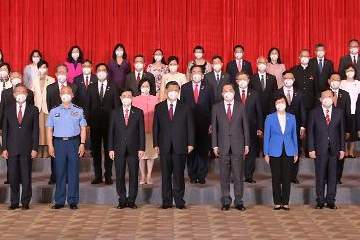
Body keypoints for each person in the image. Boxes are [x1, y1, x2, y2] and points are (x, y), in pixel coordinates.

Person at [153, 81, 195, 209]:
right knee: (165, 175)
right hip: (164, 145)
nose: (173, 92)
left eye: (176, 90)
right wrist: (156, 143)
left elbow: (190, 126)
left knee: (178, 175)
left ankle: (179, 201)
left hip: (180, 145)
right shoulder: (159, 107)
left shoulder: (185, 106)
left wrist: (191, 143)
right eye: (171, 90)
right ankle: (166, 201)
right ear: (166, 91)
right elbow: (156, 127)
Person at [46, 86, 87, 210]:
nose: (65, 94)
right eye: (63, 92)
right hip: (58, 143)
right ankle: (59, 200)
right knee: (60, 172)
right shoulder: (53, 111)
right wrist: (50, 145)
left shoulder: (78, 110)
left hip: (73, 142)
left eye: (68, 92)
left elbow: (83, 128)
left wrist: (82, 143)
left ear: (72, 95)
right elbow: (49, 129)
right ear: (60, 95)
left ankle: (73, 200)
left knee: (73, 172)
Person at [211, 83, 250, 211]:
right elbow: (214, 128)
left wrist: (246, 144)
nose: (227, 93)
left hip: (238, 145)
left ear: (234, 92)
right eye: (225, 91)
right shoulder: (216, 107)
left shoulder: (241, 106)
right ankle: (226, 201)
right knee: (224, 175)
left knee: (238, 175)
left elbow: (246, 127)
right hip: (222, 145)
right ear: (222, 94)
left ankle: (239, 201)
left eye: (230, 90)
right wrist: (214, 145)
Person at [2, 84, 39, 210]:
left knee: (26, 176)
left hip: (27, 148)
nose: (20, 94)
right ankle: (14, 201)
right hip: (11, 148)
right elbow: (5, 131)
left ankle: (25, 202)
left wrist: (35, 148)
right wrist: (4, 148)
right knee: (12, 176)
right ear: (14, 94)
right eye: (18, 92)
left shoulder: (33, 110)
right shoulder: (8, 109)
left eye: (23, 92)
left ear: (27, 94)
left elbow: (35, 131)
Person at [108, 88, 145, 209]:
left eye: (129, 95)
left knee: (134, 175)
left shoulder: (138, 112)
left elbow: (141, 132)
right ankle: (122, 200)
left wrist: (141, 148)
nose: (127, 97)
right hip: (118, 149)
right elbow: (111, 132)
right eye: (124, 95)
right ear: (120, 98)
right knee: (120, 175)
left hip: (134, 149)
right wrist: (111, 148)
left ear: (133, 98)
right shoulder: (114, 112)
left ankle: (132, 200)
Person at [308, 90, 345, 209]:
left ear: (333, 98)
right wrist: (311, 148)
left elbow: (341, 132)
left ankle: (331, 200)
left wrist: (342, 149)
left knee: (333, 176)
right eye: (324, 96)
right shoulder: (314, 113)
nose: (327, 98)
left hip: (334, 149)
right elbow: (310, 133)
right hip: (319, 149)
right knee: (320, 176)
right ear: (320, 99)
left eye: (329, 96)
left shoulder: (339, 113)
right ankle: (320, 200)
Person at [86, 63, 119, 185]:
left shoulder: (114, 86)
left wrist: (116, 124)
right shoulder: (91, 87)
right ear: (95, 73)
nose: (101, 72)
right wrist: (87, 123)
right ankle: (98, 175)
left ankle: (108, 175)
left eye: (103, 70)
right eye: (99, 70)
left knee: (109, 149)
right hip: (94, 124)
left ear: (107, 72)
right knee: (96, 150)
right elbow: (87, 106)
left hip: (109, 124)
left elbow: (116, 106)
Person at [181, 65, 214, 184]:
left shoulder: (209, 87)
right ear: (190, 74)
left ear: (202, 74)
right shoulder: (184, 88)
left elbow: (212, 106)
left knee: (203, 150)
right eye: (194, 71)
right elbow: (182, 107)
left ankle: (202, 175)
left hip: (205, 124)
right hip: (189, 125)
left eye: (198, 72)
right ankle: (192, 175)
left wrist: (212, 123)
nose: (196, 74)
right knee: (191, 150)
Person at [271, 71, 306, 184]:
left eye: (290, 78)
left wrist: (303, 126)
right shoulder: (277, 93)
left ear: (294, 79)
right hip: (280, 128)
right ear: (282, 79)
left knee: (294, 150)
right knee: (281, 151)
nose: (288, 80)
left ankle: (292, 176)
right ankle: (281, 176)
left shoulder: (300, 94)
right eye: (286, 78)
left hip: (295, 127)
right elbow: (272, 110)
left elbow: (303, 111)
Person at [264, 95, 298, 210]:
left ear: (286, 103)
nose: (280, 104)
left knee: (287, 177)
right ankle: (277, 202)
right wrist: (266, 153)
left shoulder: (292, 117)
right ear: (275, 104)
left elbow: (294, 135)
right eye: (278, 102)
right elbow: (266, 136)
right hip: (274, 150)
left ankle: (286, 202)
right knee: (276, 177)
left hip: (289, 149)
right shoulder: (269, 117)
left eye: (282, 101)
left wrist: (296, 152)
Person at [46, 64, 78, 185]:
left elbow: (77, 105)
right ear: (55, 74)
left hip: (71, 125)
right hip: (56, 123)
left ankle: (69, 177)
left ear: (67, 74)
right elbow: (49, 106)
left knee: (69, 154)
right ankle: (54, 175)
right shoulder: (50, 88)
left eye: (64, 72)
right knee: (54, 151)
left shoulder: (74, 87)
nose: (62, 74)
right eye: (59, 72)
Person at [234, 72, 263, 184]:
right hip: (235, 128)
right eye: (239, 79)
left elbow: (259, 112)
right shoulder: (232, 93)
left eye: (244, 78)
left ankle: (249, 175)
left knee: (251, 152)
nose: (242, 81)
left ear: (248, 80)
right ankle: (236, 176)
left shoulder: (255, 94)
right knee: (236, 153)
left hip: (252, 127)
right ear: (236, 81)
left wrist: (260, 127)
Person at [132, 78, 159, 184]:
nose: (145, 88)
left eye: (147, 86)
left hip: (152, 129)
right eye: (143, 86)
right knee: (141, 155)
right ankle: (142, 175)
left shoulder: (155, 98)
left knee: (151, 154)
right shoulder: (135, 99)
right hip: (139, 131)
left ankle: (149, 175)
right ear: (139, 87)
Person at [328, 73, 351, 184]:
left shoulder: (345, 95)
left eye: (337, 79)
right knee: (327, 154)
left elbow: (348, 113)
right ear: (329, 81)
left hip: (340, 129)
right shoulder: (324, 93)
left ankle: (337, 178)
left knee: (340, 154)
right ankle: (327, 177)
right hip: (326, 129)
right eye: (333, 79)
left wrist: (347, 130)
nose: (335, 81)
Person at [30, 60, 55, 158]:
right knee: (39, 129)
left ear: (47, 68)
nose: (42, 69)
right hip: (38, 108)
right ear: (38, 68)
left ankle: (47, 148)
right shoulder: (34, 80)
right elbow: (31, 95)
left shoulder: (52, 79)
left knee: (48, 128)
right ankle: (39, 148)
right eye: (41, 67)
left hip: (48, 108)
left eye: (44, 67)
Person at [339, 64, 360, 158]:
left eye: (352, 70)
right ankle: (345, 150)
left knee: (353, 130)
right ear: (345, 72)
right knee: (343, 130)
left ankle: (351, 151)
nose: (350, 72)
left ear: (355, 72)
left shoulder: (358, 83)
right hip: (343, 110)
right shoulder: (342, 82)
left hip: (355, 110)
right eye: (348, 70)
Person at [291, 49, 318, 114]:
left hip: (310, 102)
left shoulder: (314, 70)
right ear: (299, 57)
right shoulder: (293, 70)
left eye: (307, 56)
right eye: (303, 56)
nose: (304, 58)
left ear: (309, 58)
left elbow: (316, 87)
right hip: (297, 101)